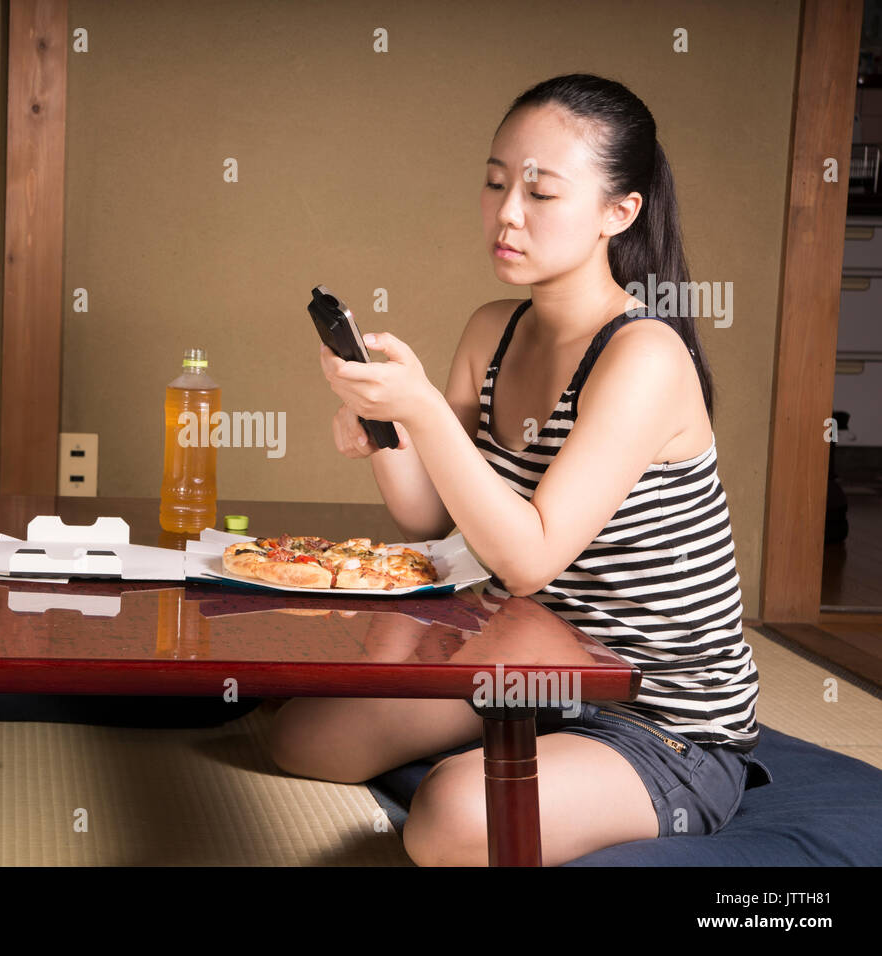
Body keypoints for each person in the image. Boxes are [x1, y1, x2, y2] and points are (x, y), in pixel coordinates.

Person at [268, 73, 771, 866]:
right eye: (497, 182)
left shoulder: (645, 354)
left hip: (654, 714)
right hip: (525, 665)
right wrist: (388, 430)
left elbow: (530, 558)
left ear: (619, 212)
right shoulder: (493, 328)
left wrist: (427, 412)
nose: (506, 213)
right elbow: (428, 517)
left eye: (540, 193)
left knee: (452, 819)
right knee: (303, 736)